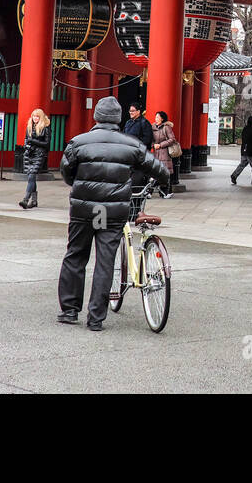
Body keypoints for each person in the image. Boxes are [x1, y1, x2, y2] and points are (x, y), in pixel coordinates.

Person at [58, 96, 171, 331]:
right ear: (118, 119)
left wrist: (79, 185)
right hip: (113, 210)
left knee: (76, 255)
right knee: (105, 261)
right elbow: (160, 170)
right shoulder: (131, 144)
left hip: (83, 208)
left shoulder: (78, 142)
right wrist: (159, 182)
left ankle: (69, 310)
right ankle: (96, 318)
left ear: (96, 116)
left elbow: (66, 171)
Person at [20, 108, 50, 210]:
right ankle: (34, 201)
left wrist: (33, 141)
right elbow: (26, 139)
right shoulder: (29, 126)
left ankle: (25, 199)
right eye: (34, 116)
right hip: (29, 154)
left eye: (37, 116)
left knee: (31, 176)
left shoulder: (45, 128)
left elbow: (47, 144)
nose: (35, 118)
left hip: (39, 155)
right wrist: (26, 145)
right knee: (31, 178)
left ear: (41, 117)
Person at [149, 111, 183, 193]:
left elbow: (172, 139)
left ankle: (167, 191)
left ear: (162, 118)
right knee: (154, 172)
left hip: (165, 153)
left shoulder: (166, 127)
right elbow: (150, 139)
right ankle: (151, 191)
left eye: (158, 117)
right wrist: (153, 145)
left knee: (165, 172)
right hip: (156, 153)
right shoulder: (153, 127)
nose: (156, 119)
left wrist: (160, 145)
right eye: (155, 117)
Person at [230, 115, 252, 185]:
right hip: (251, 151)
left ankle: (234, 175)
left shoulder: (245, 129)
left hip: (244, 150)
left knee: (242, 164)